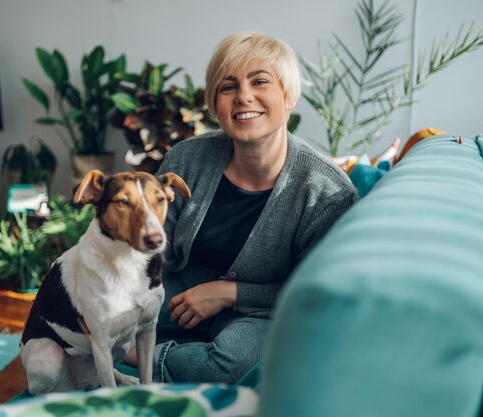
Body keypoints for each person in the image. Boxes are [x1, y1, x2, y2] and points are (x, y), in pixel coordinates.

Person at [127, 31, 358, 384]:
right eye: (228, 86)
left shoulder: (326, 192)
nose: (244, 97)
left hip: (263, 311)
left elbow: (315, 296)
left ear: (288, 95)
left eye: (260, 81)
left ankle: (131, 356)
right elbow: (155, 251)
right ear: (214, 102)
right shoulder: (186, 158)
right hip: (179, 287)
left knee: (234, 364)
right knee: (93, 309)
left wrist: (230, 293)